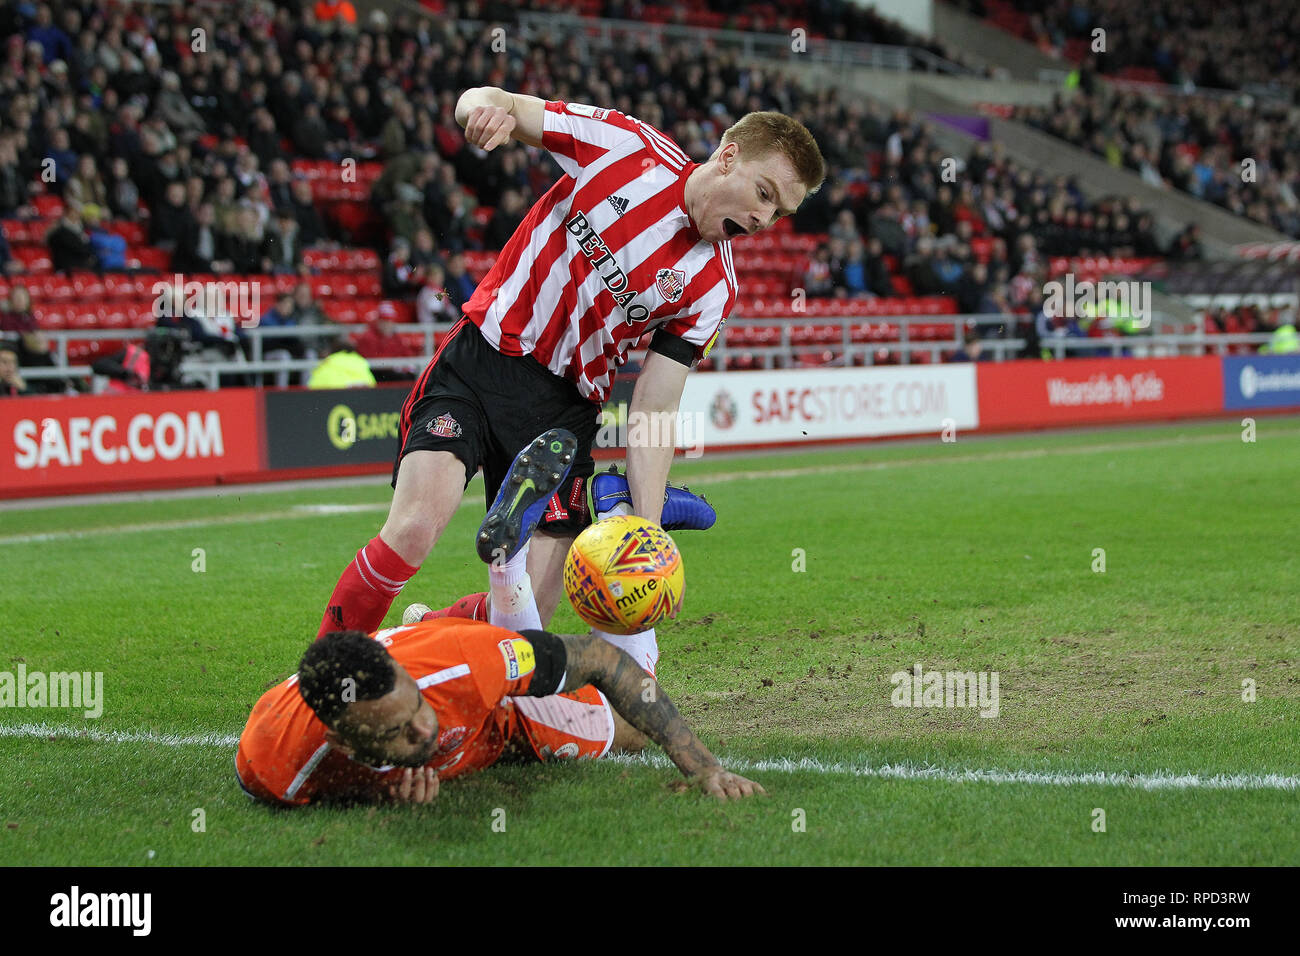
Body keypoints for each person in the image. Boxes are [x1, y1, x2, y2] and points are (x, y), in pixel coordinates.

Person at [314, 88, 823, 682]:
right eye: (764, 194)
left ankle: (423, 632)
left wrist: (647, 530)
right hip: (485, 360)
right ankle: (320, 680)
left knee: (529, 618)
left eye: (779, 213)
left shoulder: (714, 287)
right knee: (416, 526)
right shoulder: (625, 147)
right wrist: (478, 114)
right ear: (729, 156)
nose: (764, 220)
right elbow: (491, 99)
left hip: (565, 415)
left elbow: (655, 405)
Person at [236, 617, 764, 806]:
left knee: (631, 735)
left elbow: (601, 660)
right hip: (445, 663)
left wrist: (706, 769)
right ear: (345, 744)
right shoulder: (278, 767)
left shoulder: (467, 666)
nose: (426, 727)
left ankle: (495, 584)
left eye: (415, 703)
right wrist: (369, 791)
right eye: (399, 732)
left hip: (490, 703)